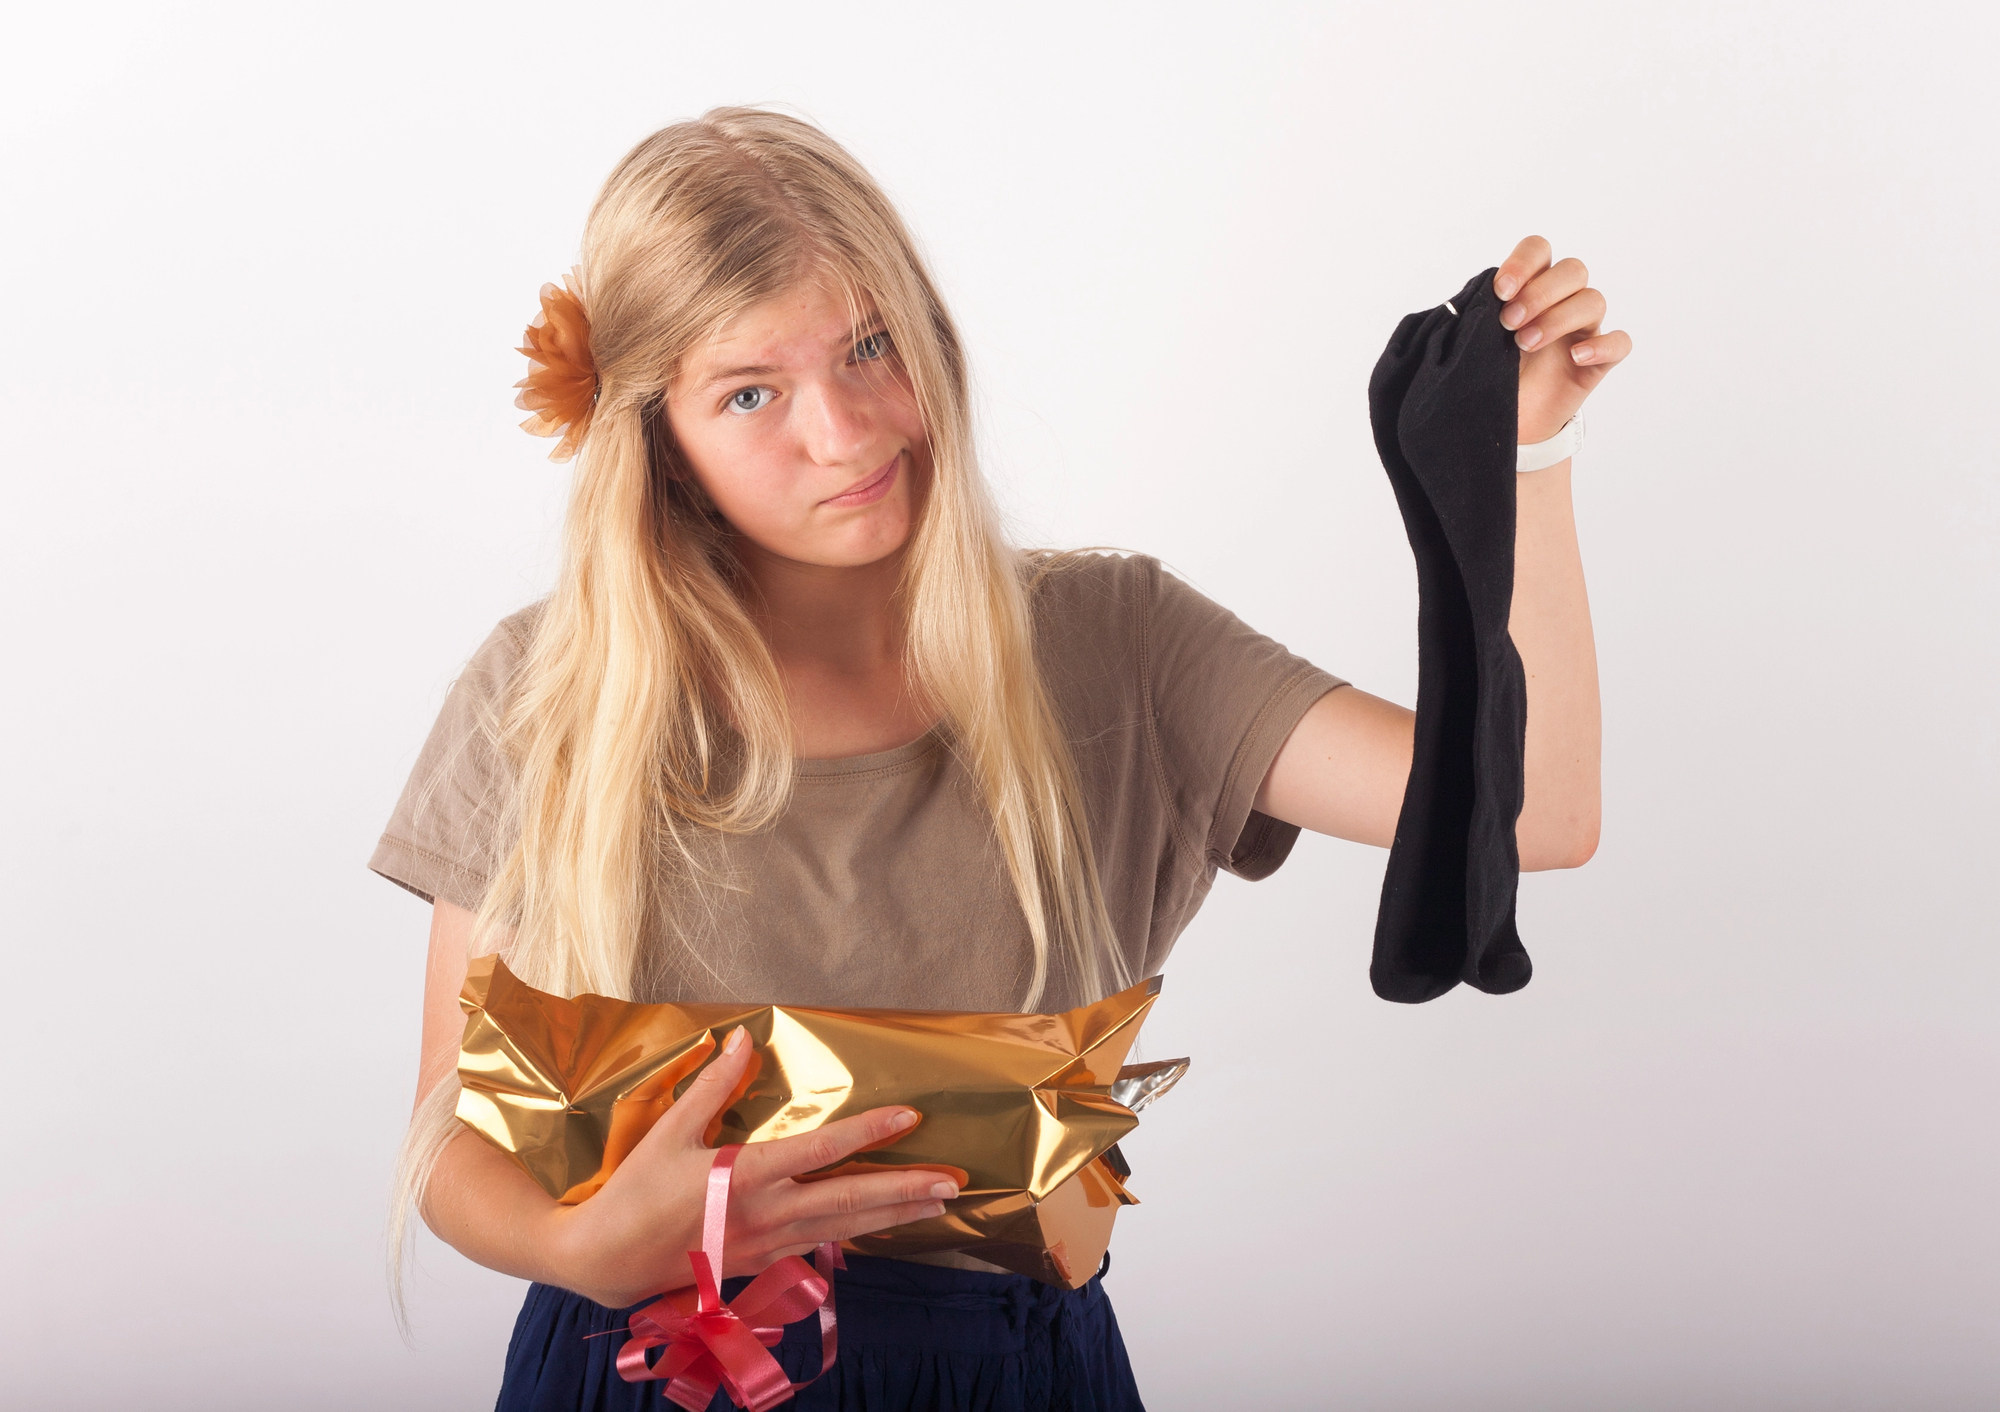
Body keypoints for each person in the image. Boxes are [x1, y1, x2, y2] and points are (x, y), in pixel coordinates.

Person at [372, 106, 1626, 1411]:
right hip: (651, 1373)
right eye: (752, 392)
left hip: (1006, 1379)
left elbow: (1536, 815)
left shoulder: (1116, 646)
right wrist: (584, 1246)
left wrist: (1526, 454)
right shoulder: (549, 692)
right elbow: (451, 1140)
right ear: (657, 432)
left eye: (871, 347)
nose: (846, 433)